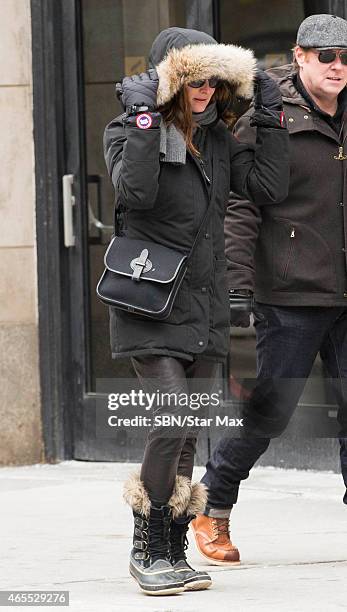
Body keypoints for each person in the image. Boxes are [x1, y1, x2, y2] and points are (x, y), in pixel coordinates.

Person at [103, 26, 289, 595]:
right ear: (171, 78)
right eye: (193, 77)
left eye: (214, 79)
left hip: (202, 309)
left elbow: (267, 187)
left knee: (187, 436)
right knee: (171, 420)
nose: (204, 89)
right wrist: (142, 118)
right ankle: (145, 546)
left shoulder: (216, 140)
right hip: (148, 304)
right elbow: (135, 193)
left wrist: (272, 112)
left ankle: (171, 550)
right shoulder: (127, 129)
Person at [191, 13, 347, 566]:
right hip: (291, 291)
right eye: (326, 56)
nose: (338, 66)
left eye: (346, 56)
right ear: (300, 56)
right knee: (271, 411)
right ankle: (211, 506)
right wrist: (239, 288)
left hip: (344, 290)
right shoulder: (269, 114)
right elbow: (243, 204)